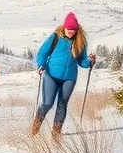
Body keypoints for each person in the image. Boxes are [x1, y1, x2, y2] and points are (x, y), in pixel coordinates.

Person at [32, 12, 96, 140]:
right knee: (47, 104)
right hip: (51, 76)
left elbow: (81, 61)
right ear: (64, 27)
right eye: (69, 29)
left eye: (73, 29)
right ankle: (34, 130)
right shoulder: (55, 37)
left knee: (62, 105)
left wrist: (89, 62)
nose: (71, 31)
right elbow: (42, 53)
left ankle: (56, 134)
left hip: (69, 78)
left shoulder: (80, 41)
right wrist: (41, 65)